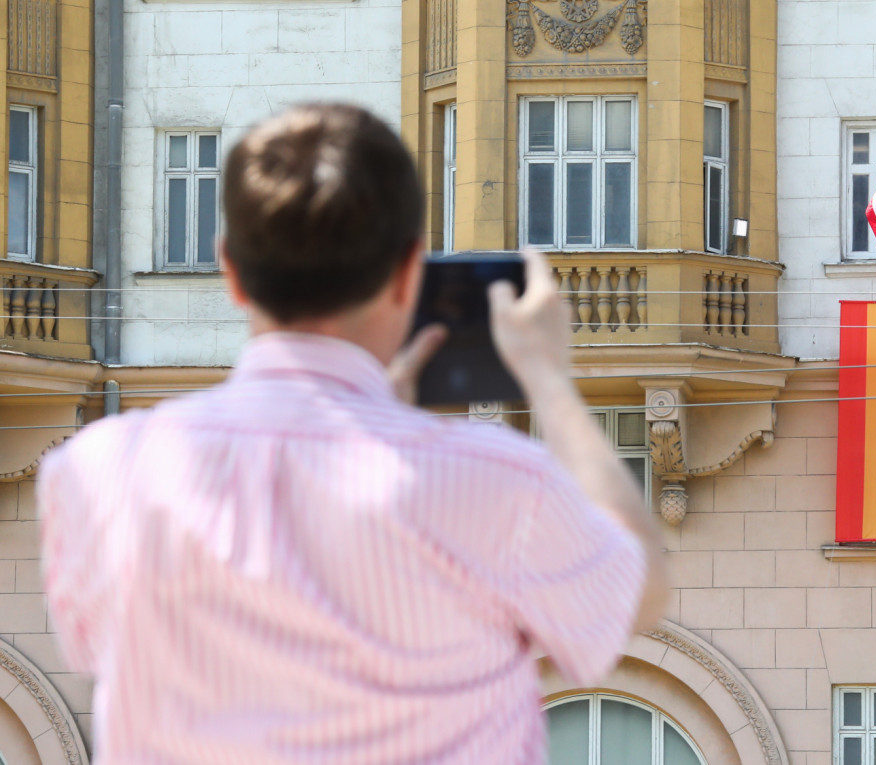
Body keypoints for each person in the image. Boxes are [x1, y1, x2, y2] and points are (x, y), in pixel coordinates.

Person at [38, 103, 667, 764]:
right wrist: (549, 381)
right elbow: (636, 591)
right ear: (407, 273)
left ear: (230, 271)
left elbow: (93, 647)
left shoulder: (94, 474)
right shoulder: (503, 485)